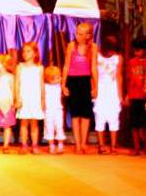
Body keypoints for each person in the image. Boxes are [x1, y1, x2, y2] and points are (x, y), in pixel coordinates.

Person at [62, 22, 98, 154]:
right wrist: (63, 84)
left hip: (85, 81)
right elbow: (66, 66)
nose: (77, 36)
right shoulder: (71, 46)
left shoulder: (93, 47)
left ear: (88, 35)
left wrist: (95, 86)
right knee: (75, 114)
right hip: (73, 81)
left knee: (86, 114)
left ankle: (84, 143)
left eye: (81, 34)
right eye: (77, 33)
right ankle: (77, 144)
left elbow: (93, 67)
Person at [94, 35, 123, 155]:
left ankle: (113, 146)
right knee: (99, 116)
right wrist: (94, 89)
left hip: (112, 89)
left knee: (113, 117)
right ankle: (101, 145)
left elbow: (119, 76)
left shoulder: (118, 58)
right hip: (100, 88)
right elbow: (94, 74)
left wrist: (120, 95)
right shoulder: (97, 56)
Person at [16, 42, 45, 155]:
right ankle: (24, 145)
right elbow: (17, 84)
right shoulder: (20, 67)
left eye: (28, 51)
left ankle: (34, 145)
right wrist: (17, 98)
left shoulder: (39, 68)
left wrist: (43, 100)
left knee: (34, 123)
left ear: (35, 53)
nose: (25, 53)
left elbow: (42, 85)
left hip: (35, 99)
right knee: (24, 123)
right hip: (24, 98)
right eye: (24, 51)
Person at [127, 37, 146, 156]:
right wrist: (127, 95)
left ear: (145, 49)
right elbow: (129, 80)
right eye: (135, 50)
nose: (136, 52)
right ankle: (136, 147)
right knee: (134, 123)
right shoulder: (131, 62)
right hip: (134, 96)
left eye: (139, 50)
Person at [43, 66, 66, 154]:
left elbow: (64, 90)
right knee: (49, 127)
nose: (60, 78)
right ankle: (51, 146)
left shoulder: (59, 86)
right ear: (50, 78)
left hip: (58, 109)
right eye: (57, 77)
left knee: (59, 126)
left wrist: (64, 90)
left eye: (59, 76)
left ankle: (60, 145)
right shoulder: (45, 86)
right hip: (48, 110)